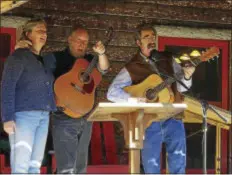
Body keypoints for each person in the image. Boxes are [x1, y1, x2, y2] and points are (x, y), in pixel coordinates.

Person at [16, 25, 110, 174]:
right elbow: (36, 71)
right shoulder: (55, 58)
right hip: (63, 116)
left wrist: (102, 53)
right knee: (66, 167)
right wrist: (21, 52)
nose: (82, 44)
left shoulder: (90, 61)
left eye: (85, 42)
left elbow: (104, 69)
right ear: (69, 40)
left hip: (86, 117)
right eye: (78, 40)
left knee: (80, 167)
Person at [107, 25, 195, 173]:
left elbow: (181, 87)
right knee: (151, 167)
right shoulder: (132, 67)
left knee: (178, 165)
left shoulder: (168, 59)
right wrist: (135, 100)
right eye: (146, 37)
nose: (151, 39)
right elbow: (111, 93)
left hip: (173, 117)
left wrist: (187, 76)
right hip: (149, 123)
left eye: (153, 36)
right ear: (138, 43)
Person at [1, 18, 57, 174]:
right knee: (20, 168)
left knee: (35, 167)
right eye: (39, 30)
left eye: (45, 31)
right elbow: (7, 86)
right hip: (23, 116)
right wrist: (7, 118)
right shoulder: (18, 56)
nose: (43, 34)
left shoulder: (43, 60)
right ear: (27, 34)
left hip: (43, 116)